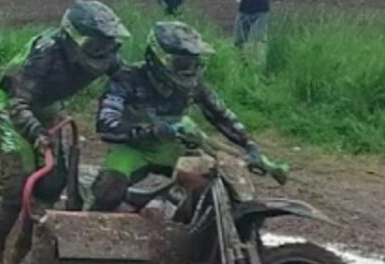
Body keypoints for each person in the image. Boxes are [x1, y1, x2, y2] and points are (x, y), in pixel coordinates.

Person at [0, 0, 130, 264]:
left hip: (48, 108)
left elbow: (126, 78)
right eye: (96, 45)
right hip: (14, 106)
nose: (103, 51)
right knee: (17, 182)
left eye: (107, 44)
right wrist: (37, 133)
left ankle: (24, 254)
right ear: (74, 38)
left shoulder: (107, 56)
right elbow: (18, 101)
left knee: (52, 183)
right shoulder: (46, 52)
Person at [89, 21, 285, 213]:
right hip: (133, 149)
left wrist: (249, 145)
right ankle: (86, 224)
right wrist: (151, 131)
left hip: (175, 148)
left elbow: (222, 116)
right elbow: (106, 123)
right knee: (108, 190)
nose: (189, 71)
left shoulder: (195, 85)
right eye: (182, 64)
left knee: (213, 185)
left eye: (194, 64)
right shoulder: (127, 78)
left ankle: (195, 227)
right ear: (157, 59)